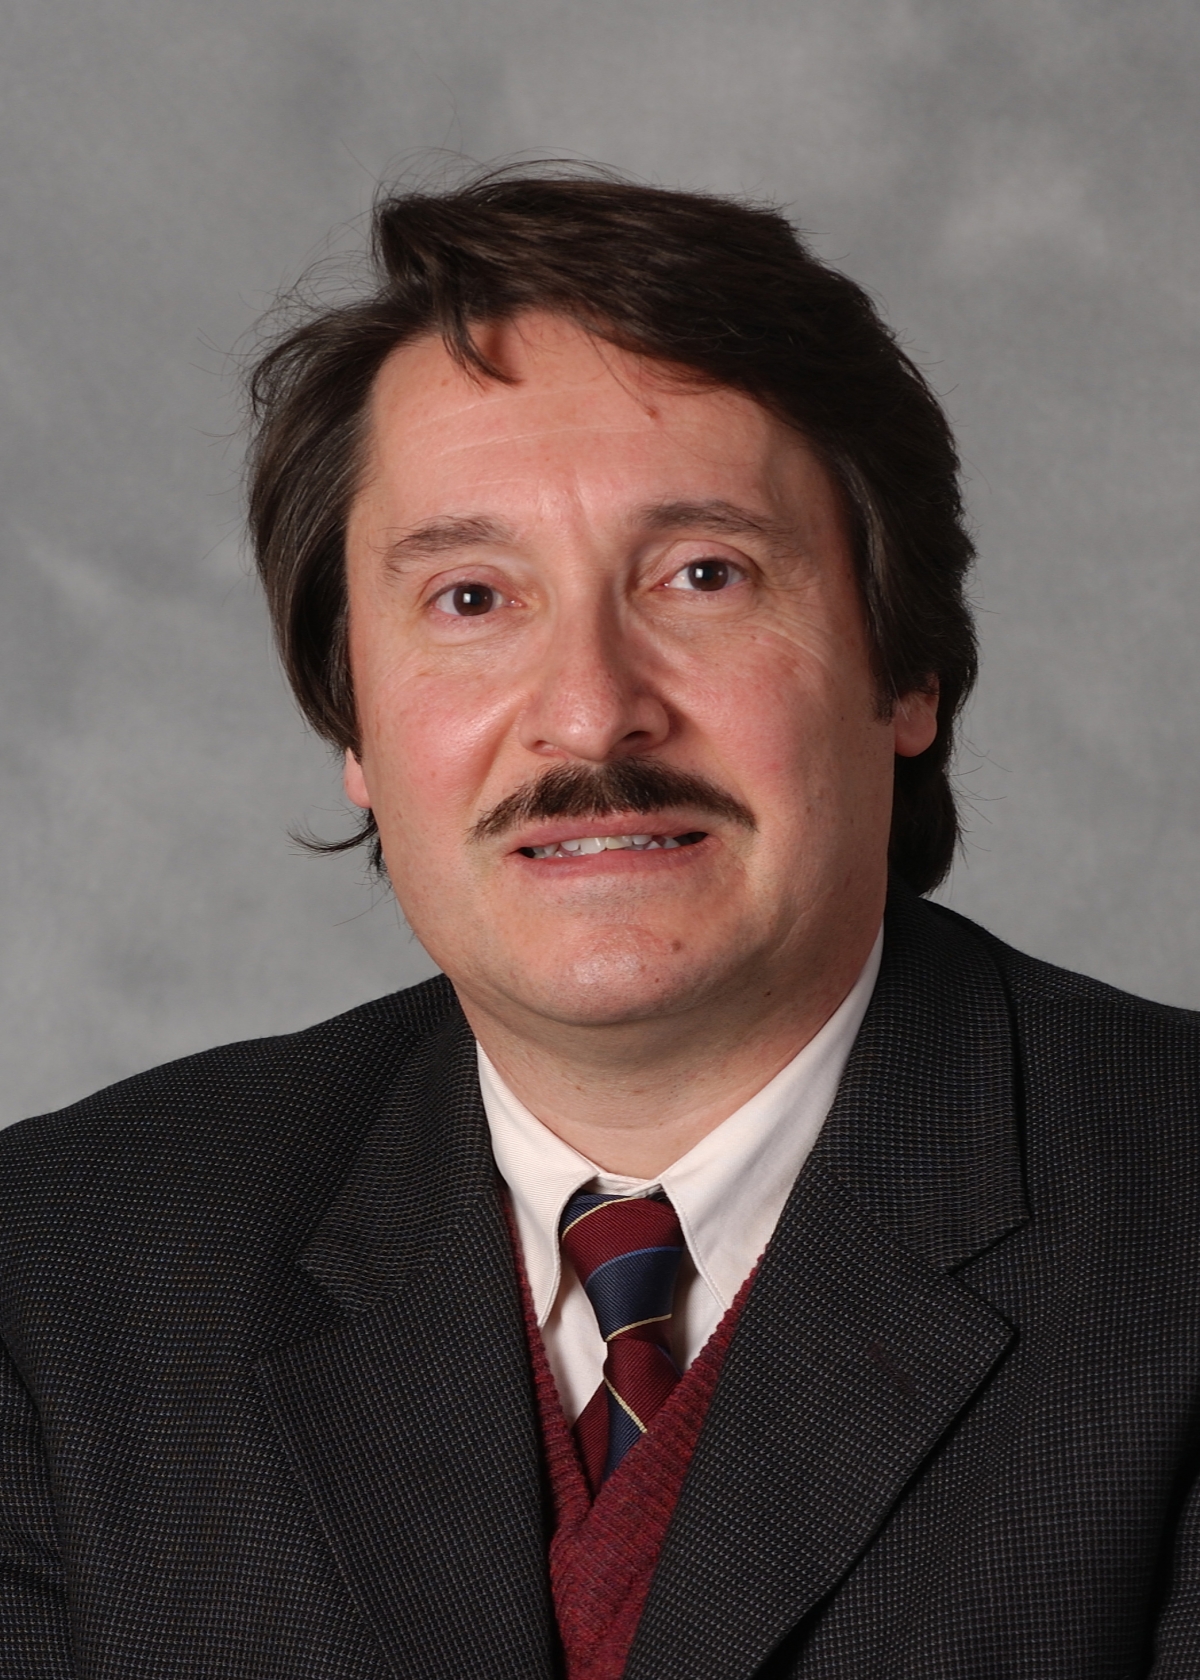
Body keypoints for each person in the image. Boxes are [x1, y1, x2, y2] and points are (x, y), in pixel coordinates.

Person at [1, 168, 1198, 1680]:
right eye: (470, 599)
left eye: (702, 575)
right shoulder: (65, 1269)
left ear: (905, 676)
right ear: (352, 721)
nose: (588, 713)